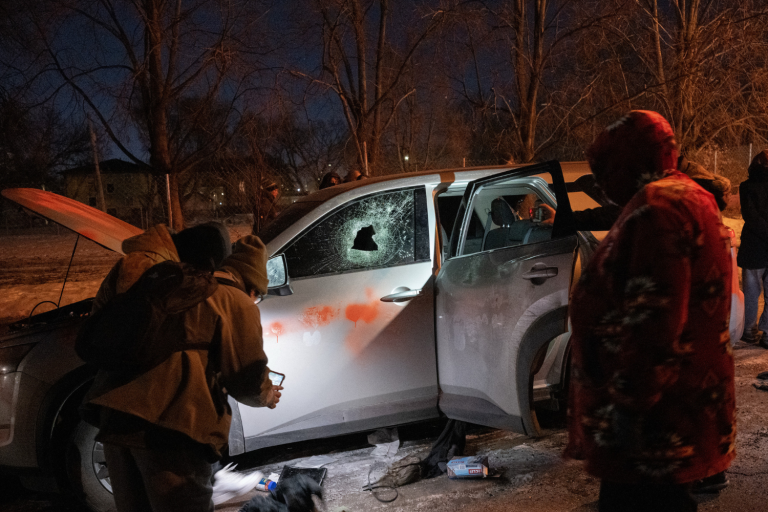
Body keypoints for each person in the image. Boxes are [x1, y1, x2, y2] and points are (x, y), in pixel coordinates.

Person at [565, 111, 735, 512]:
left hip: (655, 429)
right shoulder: (691, 195)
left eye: (605, 170)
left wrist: (628, 408)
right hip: (681, 410)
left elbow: (655, 321)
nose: (602, 186)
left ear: (628, 162)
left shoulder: (655, 209)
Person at [81, 225, 281, 512]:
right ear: (252, 287)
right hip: (171, 431)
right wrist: (268, 395)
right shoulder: (235, 302)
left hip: (116, 423)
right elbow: (246, 378)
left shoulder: (177, 287)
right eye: (257, 296)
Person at [737, 150, 768, 346]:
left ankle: (748, 329)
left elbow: (750, 216)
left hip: (753, 246)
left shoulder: (746, 186)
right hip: (757, 246)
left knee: (751, 291)